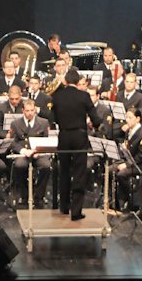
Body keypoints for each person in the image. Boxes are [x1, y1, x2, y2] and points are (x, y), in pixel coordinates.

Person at [51, 68, 101, 220]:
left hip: (64, 136)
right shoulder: (84, 96)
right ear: (78, 82)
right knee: (79, 172)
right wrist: (95, 125)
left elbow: (53, 118)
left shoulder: (57, 96)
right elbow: (95, 118)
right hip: (79, 136)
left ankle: (64, 207)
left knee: (64, 171)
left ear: (65, 81)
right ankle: (76, 211)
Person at [7, 98, 51, 207]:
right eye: (27, 111)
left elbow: (46, 140)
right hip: (23, 153)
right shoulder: (15, 123)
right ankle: (24, 195)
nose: (30, 113)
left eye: (32, 110)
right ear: (23, 111)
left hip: (38, 153)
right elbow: (12, 142)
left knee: (46, 166)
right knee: (19, 165)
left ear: (35, 110)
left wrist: (39, 151)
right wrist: (23, 150)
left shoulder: (43, 122)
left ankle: (39, 196)